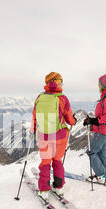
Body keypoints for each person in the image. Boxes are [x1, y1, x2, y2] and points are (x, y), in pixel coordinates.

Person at [30, 72, 76, 200]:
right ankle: (58, 187)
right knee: (57, 161)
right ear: (56, 82)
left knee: (45, 162)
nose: (62, 84)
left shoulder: (40, 97)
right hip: (60, 136)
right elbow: (69, 118)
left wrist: (33, 129)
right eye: (61, 81)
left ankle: (44, 190)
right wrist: (74, 122)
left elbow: (35, 116)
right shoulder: (62, 98)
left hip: (44, 135)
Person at [83, 72, 106, 186]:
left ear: (104, 85)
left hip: (104, 130)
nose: (98, 86)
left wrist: (93, 121)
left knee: (91, 151)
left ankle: (101, 175)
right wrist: (92, 121)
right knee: (102, 153)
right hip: (105, 130)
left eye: (99, 84)